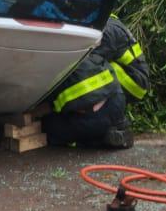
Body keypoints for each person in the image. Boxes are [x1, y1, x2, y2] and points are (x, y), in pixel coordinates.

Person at [43, 16, 149, 148]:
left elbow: (83, 59)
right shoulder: (101, 22)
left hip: (132, 83)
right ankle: (110, 129)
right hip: (124, 84)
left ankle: (103, 116)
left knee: (84, 65)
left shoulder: (106, 31)